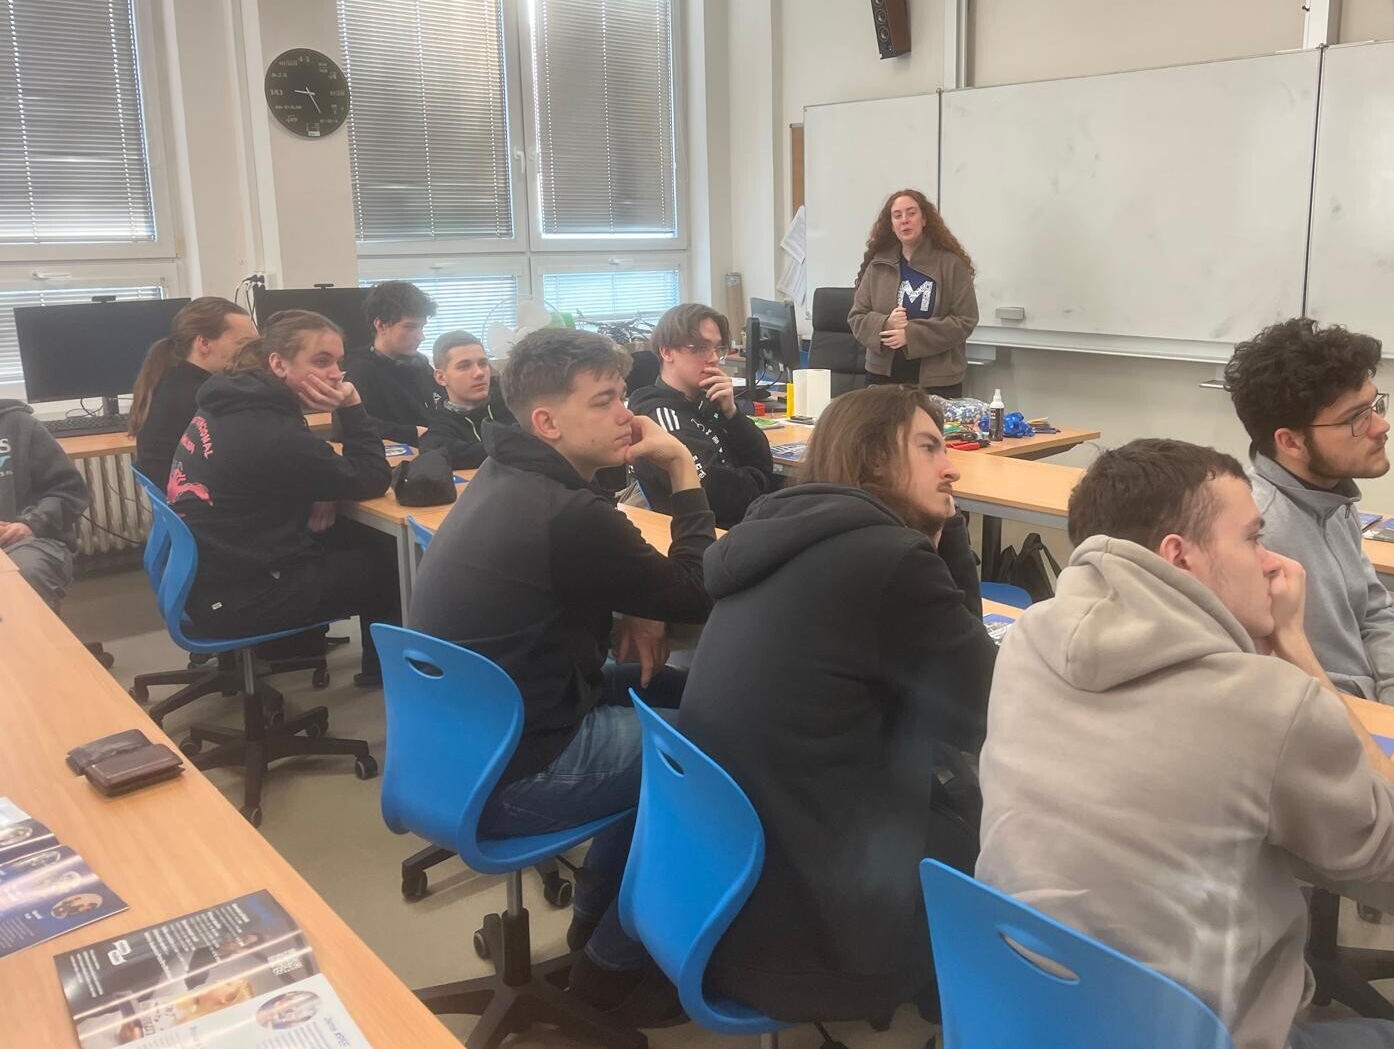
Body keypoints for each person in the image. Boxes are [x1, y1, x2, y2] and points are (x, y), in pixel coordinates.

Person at [977, 439, 1394, 1049]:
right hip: (1187, 1034)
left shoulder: (1028, 640)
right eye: (1253, 539)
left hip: (1028, 1013)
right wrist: (1296, 647)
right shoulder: (1273, 702)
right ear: (1178, 556)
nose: (1273, 563)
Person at [406, 327, 714, 1024]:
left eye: (622, 396)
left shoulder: (505, 475)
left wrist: (637, 601)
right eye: (604, 401)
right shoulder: (570, 513)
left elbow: (580, 585)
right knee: (713, 756)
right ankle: (612, 964)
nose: (626, 415)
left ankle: (594, 923)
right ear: (547, 423)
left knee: (671, 689)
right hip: (515, 768)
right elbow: (696, 592)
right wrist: (682, 467)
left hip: (459, 746)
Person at [675, 385, 995, 1025]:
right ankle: (962, 1008)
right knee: (996, 830)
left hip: (726, 888)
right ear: (875, 461)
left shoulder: (772, 529)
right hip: (820, 923)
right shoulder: (889, 558)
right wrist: (947, 535)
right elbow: (984, 710)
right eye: (929, 448)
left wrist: (939, 526)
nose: (952, 468)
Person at [166, 310, 399, 686]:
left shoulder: (231, 401)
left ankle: (380, 670)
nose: (336, 374)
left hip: (212, 575)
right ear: (277, 363)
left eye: (338, 362)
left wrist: (323, 486)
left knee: (363, 537)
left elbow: (297, 467)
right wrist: (352, 405)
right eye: (321, 361)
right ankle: (389, 678)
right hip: (241, 598)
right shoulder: (271, 431)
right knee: (392, 558)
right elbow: (372, 477)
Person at [1224, 318, 1394, 715]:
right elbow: (1266, 684)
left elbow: (1375, 613)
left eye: (1374, 405)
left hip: (1388, 712)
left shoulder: (1332, 498)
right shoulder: (1257, 532)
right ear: (1291, 441)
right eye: (1356, 418)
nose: (1381, 426)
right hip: (1331, 724)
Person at [627, 302, 778, 526]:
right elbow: (720, 499)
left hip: (748, 521)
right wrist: (760, 477)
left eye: (718, 348)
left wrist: (732, 413)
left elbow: (764, 459)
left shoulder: (706, 400)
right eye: (699, 347)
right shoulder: (661, 417)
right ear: (666, 351)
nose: (714, 358)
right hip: (717, 535)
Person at [847, 188, 979, 399]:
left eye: (911, 213)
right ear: (891, 225)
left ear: (924, 219)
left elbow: (965, 320)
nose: (904, 220)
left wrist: (911, 335)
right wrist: (886, 323)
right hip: (883, 377)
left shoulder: (950, 264)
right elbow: (856, 317)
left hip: (937, 381)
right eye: (897, 215)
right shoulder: (878, 264)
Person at [130, 298, 258, 486]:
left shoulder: (169, 379)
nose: (253, 353)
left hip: (181, 498)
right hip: (201, 499)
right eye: (243, 344)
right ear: (204, 343)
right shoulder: (205, 397)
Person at [0, 398, 90, 604]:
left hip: (28, 540)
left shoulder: (20, 424)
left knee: (26, 574)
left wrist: (30, 524)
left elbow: (67, 489)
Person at [333, 280, 438, 446]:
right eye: (410, 327)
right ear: (381, 325)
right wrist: (412, 432)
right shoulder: (360, 370)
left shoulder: (419, 364)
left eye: (421, 327)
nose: (421, 337)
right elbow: (350, 425)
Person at [418, 331, 512, 469]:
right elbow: (436, 452)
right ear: (441, 377)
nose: (479, 373)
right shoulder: (441, 428)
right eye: (464, 366)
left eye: (483, 363)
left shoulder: (513, 408)